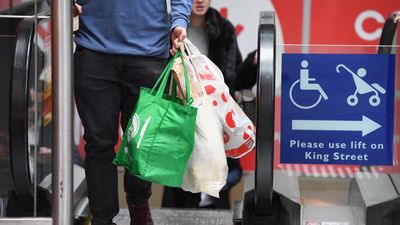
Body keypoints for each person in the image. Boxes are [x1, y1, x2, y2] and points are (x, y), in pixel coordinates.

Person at [72, 1, 193, 225]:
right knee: (99, 143)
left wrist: (179, 21)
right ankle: (102, 219)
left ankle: (138, 206)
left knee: (142, 142)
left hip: (148, 52)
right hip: (93, 48)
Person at [162, 0, 243, 209]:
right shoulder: (169, 27)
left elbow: (236, 74)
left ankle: (209, 202)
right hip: (180, 107)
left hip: (213, 110)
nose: (199, 1)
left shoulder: (223, 28)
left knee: (215, 167)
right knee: (179, 170)